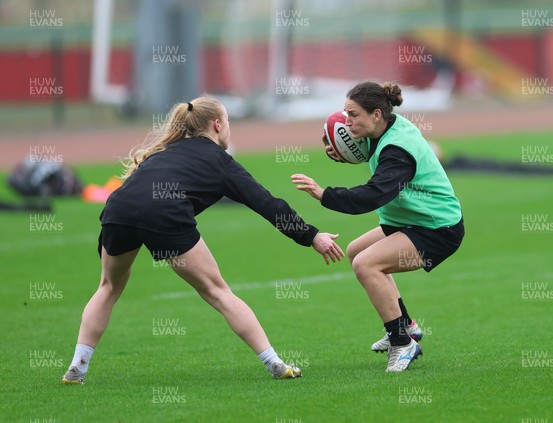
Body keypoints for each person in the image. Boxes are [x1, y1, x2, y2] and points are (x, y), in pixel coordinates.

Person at [61, 96, 344, 384]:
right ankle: (275, 363)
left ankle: (77, 368)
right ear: (218, 125)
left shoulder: (163, 151)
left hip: (118, 207)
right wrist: (311, 236)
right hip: (162, 213)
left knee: (108, 287)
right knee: (218, 291)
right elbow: (267, 204)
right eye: (229, 123)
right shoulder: (222, 163)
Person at [292, 81, 464, 372]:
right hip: (410, 220)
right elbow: (373, 155)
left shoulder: (398, 150)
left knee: (366, 265)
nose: (347, 122)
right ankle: (406, 325)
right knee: (356, 250)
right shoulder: (388, 126)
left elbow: (373, 195)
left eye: (353, 115)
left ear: (375, 114)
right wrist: (341, 151)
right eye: (345, 114)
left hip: (437, 228)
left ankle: (402, 343)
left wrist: (325, 194)